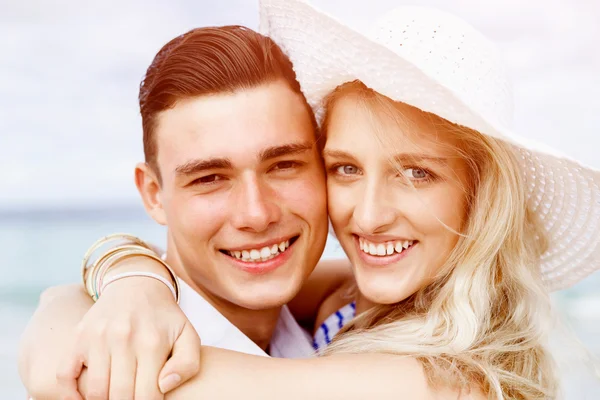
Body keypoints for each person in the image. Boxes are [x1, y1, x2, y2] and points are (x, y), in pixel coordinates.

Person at [21, 1, 600, 399]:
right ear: (153, 193)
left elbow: (71, 367)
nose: (369, 215)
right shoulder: (343, 302)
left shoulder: (452, 381)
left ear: (481, 195)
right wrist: (130, 275)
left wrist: (110, 288)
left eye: (417, 174)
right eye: (346, 167)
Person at [19, 24, 337, 399]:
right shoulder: (107, 375)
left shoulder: (330, 330)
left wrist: (126, 268)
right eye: (210, 178)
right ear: (154, 194)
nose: (256, 213)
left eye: (284, 165)